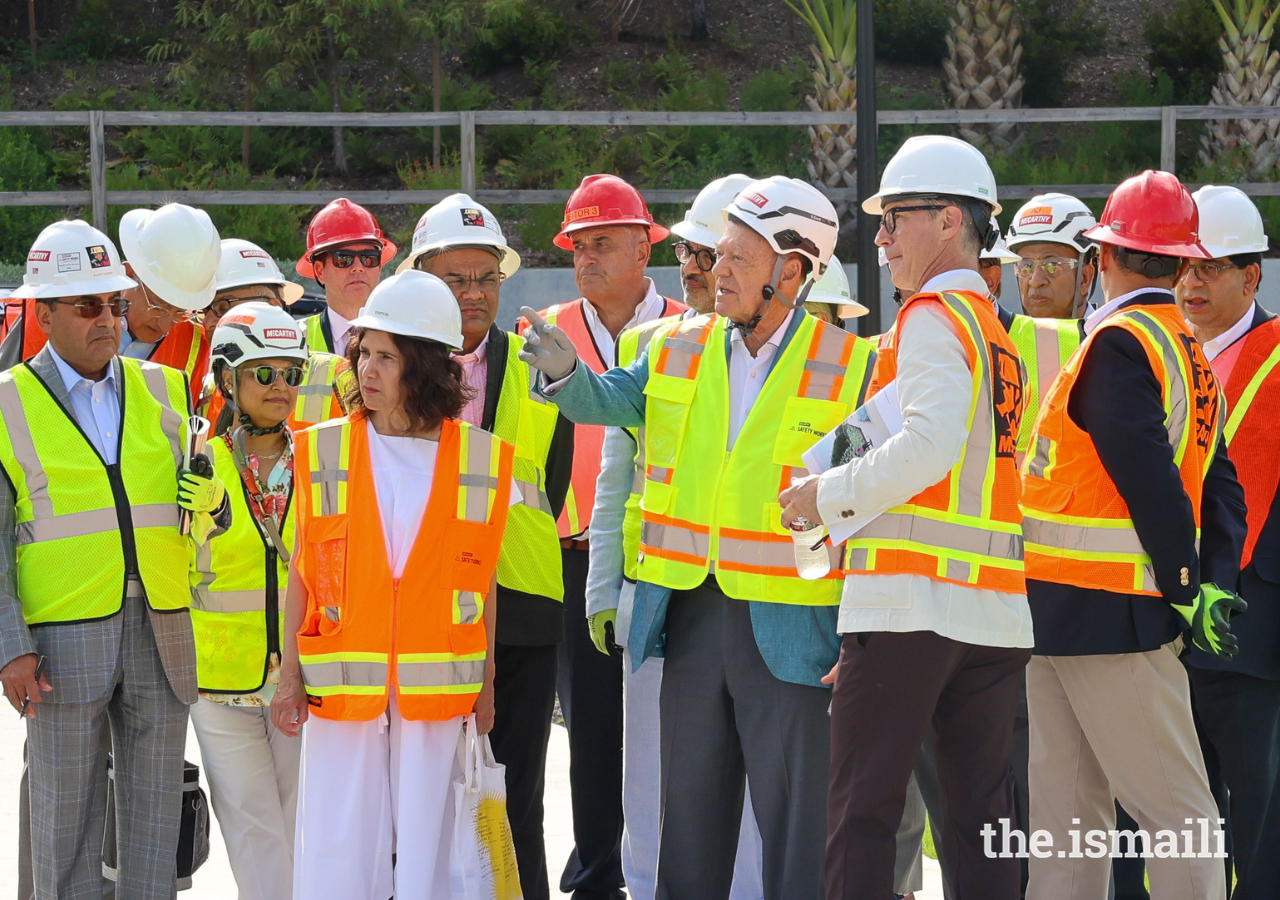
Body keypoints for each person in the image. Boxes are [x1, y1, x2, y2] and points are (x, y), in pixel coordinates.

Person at [521, 175, 877, 900]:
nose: (718, 272)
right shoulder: (671, 344)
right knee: (688, 826)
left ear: (794, 270)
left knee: (796, 834)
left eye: (738, 258)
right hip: (687, 617)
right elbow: (611, 400)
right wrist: (564, 372)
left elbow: (869, 513)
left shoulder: (855, 367)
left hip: (794, 630)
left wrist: (860, 632)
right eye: (718, 255)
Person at [777, 135, 1033, 900]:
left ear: (949, 220)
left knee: (862, 812)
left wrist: (822, 496)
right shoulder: (995, 333)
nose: (881, 237)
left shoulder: (931, 316)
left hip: (909, 611)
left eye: (894, 218)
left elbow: (927, 446)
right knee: (983, 822)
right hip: (990, 614)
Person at [1019, 170, 1247, 900]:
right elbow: (1219, 485)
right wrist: (1208, 581)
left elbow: (1150, 478)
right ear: (1184, 264)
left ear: (1103, 257)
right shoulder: (1188, 352)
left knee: (1144, 816)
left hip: (1101, 613)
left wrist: (1184, 587)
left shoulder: (1118, 342)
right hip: (1088, 616)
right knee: (1076, 819)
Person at [271, 269, 519, 900]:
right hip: (342, 695)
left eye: (386, 356)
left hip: (438, 698)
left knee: (436, 863)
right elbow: (300, 576)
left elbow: (482, 584)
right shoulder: (322, 450)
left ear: (426, 366)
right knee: (335, 857)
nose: (366, 370)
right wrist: (290, 676)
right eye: (363, 354)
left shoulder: (481, 460)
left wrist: (488, 685)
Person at [0, 219, 229, 900]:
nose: (108, 318)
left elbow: (202, 520)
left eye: (116, 303)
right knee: (63, 828)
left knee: (155, 832)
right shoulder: (7, 402)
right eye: (88, 305)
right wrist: (10, 647)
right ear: (43, 312)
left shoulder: (165, 389)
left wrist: (213, 504)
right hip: (60, 643)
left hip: (162, 631)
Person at [584, 173, 769, 900]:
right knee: (653, 787)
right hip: (658, 600)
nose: (696, 268)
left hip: (756, 603)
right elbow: (614, 477)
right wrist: (604, 586)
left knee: (753, 801)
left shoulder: (786, 355)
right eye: (689, 252)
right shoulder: (651, 343)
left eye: (711, 253)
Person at [516, 173, 685, 900]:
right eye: (577, 246)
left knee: (667, 732)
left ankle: (670, 863)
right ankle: (595, 876)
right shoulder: (547, 329)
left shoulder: (686, 328)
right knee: (589, 732)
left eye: (604, 243)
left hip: (664, 560)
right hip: (570, 555)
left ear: (646, 247)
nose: (587, 258)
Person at [399, 193, 573, 900]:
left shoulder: (540, 367)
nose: (473, 294)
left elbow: (552, 487)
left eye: (486, 278)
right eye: (455, 279)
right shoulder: (390, 368)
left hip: (523, 610)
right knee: (420, 804)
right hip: (420, 616)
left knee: (514, 802)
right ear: (420, 280)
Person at [1176, 184, 1280, 899]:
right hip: (1163, 626)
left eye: (1209, 268)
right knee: (1181, 822)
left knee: (1260, 821)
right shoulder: (1154, 353)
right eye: (1181, 266)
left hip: (1255, 633)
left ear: (1252, 276)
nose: (1191, 282)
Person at [189, 303, 310, 900]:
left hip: (302, 674)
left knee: (304, 823)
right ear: (226, 380)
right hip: (219, 679)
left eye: (292, 372)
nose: (281, 386)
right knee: (251, 826)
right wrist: (192, 520)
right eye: (264, 373)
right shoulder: (197, 463)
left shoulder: (323, 460)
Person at [0, 203, 220, 409]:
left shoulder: (194, 344)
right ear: (130, 274)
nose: (166, 325)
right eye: (158, 305)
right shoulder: (47, 315)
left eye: (182, 311)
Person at [200, 238, 349, 433]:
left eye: (222, 306)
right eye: (204, 309)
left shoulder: (338, 376)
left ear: (273, 307)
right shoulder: (211, 385)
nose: (208, 322)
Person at [295, 198, 396, 357]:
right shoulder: (293, 340)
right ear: (320, 271)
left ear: (379, 267)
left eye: (369, 257)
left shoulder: (403, 337)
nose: (358, 267)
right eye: (343, 259)